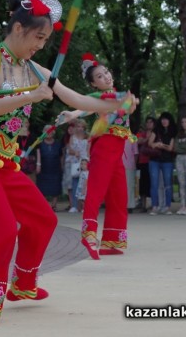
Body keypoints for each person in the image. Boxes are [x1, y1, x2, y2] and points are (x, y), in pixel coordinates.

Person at [0, 0, 135, 326]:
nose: (41, 45)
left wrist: (114, 103)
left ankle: (24, 284)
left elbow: (74, 98)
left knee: (44, 220)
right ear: (18, 29)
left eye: (45, 39)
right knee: (1, 234)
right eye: (38, 37)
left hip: (5, 164)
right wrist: (30, 94)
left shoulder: (33, 68)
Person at [60, 52, 137, 260]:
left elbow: (128, 106)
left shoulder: (118, 95)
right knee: (96, 191)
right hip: (105, 148)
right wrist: (72, 114)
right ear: (94, 84)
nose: (106, 76)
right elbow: (84, 106)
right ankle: (89, 234)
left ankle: (112, 239)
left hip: (117, 152)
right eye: (100, 76)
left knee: (119, 194)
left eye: (106, 72)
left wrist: (130, 102)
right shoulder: (100, 97)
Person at [147, 111, 177, 216]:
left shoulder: (173, 132)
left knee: (168, 184)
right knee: (154, 184)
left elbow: (170, 148)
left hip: (167, 160)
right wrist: (157, 144)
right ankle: (154, 206)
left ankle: (167, 207)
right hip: (154, 160)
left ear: (170, 120)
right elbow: (150, 143)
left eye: (166, 119)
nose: (164, 121)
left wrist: (159, 145)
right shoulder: (156, 130)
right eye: (163, 119)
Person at [35, 126, 63, 211]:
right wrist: (38, 165)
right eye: (46, 130)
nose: (48, 132)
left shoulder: (58, 144)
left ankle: (54, 205)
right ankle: (45, 206)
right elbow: (37, 155)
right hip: (43, 168)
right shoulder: (39, 143)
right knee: (42, 187)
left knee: (56, 186)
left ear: (54, 132)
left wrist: (62, 167)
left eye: (50, 131)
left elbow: (61, 156)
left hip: (55, 167)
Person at [65, 119, 88, 213]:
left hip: (85, 163)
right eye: (78, 126)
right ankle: (74, 205)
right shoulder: (72, 137)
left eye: (82, 126)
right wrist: (75, 152)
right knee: (74, 184)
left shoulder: (87, 137)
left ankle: (83, 206)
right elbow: (69, 150)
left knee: (84, 184)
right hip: (74, 162)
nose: (80, 128)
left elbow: (89, 150)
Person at [136, 116, 156, 212]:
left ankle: (153, 204)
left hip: (152, 161)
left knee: (152, 183)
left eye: (151, 122)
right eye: (147, 122)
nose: (149, 124)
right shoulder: (142, 134)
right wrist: (147, 139)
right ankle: (143, 205)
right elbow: (138, 141)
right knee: (143, 184)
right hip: (142, 161)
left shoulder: (156, 134)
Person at [123, 139, 138, 214]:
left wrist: (133, 164)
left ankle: (129, 206)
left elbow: (135, 153)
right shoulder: (115, 136)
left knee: (129, 186)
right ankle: (120, 205)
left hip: (129, 165)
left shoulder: (132, 137)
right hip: (117, 165)